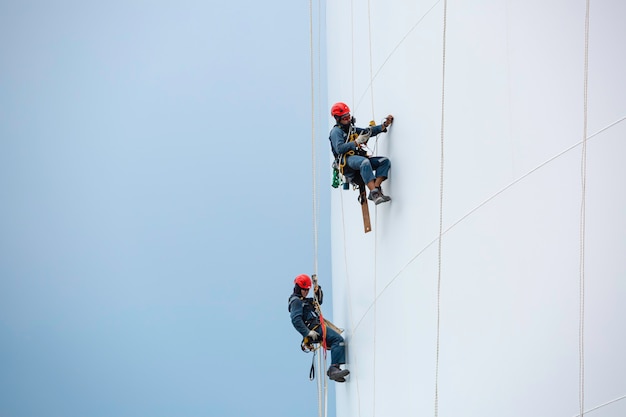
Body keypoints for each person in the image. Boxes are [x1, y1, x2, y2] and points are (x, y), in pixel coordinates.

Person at [288, 274, 350, 382]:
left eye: (308, 290)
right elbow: (296, 320)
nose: (306, 292)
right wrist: (307, 333)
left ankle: (334, 369)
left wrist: (317, 287)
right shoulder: (296, 301)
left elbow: (317, 302)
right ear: (298, 288)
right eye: (304, 290)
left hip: (316, 328)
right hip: (314, 329)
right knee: (337, 340)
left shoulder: (304, 301)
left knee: (335, 341)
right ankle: (334, 369)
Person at [329, 102, 394, 205]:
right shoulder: (336, 132)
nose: (348, 119)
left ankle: (375, 189)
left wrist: (384, 125)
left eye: (348, 116)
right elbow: (339, 149)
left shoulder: (351, 129)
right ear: (338, 118)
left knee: (384, 162)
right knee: (364, 162)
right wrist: (355, 142)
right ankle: (375, 193)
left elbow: (367, 132)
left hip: (357, 159)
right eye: (345, 118)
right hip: (346, 162)